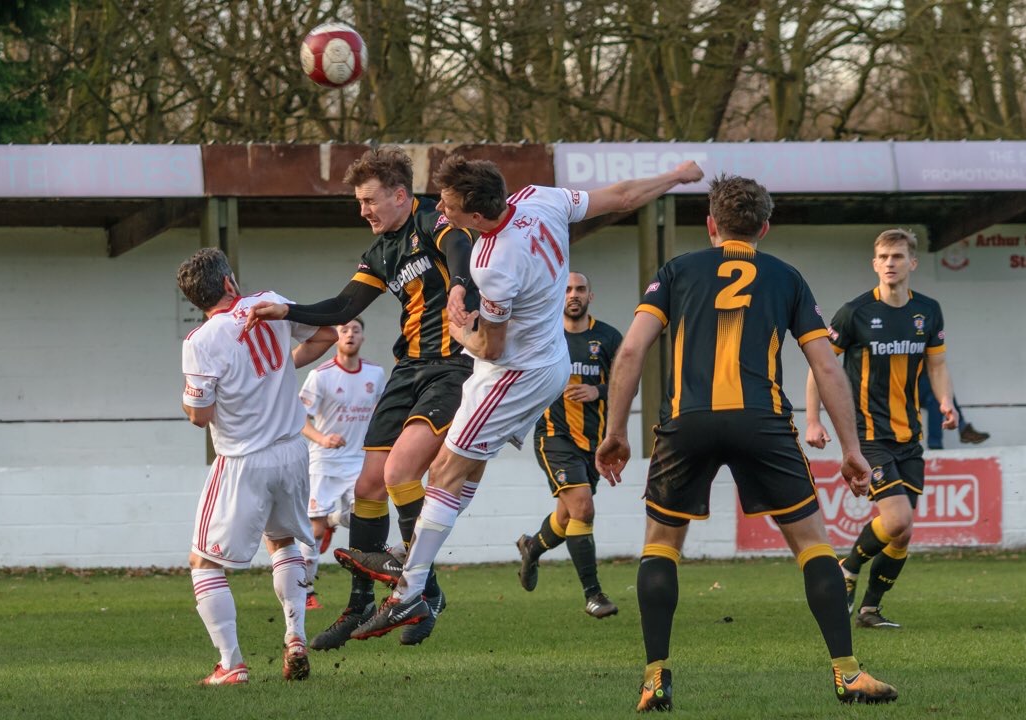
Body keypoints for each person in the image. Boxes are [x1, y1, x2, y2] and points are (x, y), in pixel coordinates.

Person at [336, 153, 705, 642]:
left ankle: (408, 592)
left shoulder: (494, 263)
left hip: (512, 374)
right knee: (466, 471)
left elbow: (492, 344)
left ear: (476, 215)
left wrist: (459, 329)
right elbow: (620, 196)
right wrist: (675, 176)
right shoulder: (539, 198)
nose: (440, 214)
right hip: (548, 361)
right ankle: (416, 560)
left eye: (447, 207)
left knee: (443, 471)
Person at [595, 174, 898, 711]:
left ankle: (654, 678)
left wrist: (615, 431)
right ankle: (847, 674)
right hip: (762, 422)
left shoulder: (675, 271)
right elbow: (826, 365)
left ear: (711, 224)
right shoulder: (787, 277)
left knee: (661, 545)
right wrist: (852, 449)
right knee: (813, 546)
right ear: (765, 227)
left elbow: (630, 353)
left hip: (686, 423)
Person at [246, 145, 476, 648]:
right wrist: (283, 310)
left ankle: (419, 591)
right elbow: (343, 305)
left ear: (399, 194)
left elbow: (460, 247)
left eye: (370, 200)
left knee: (399, 474)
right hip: (408, 369)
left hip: (452, 368)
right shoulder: (380, 252)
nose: (363, 210)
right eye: (359, 201)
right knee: (368, 487)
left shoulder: (432, 221)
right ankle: (360, 605)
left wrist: (460, 285)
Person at [178, 248, 338, 685]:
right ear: (230, 282)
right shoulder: (269, 302)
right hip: (291, 453)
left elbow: (200, 416)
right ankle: (296, 637)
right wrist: (280, 367)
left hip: (243, 460)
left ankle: (231, 664)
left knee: (204, 562)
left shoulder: (201, 341)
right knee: (282, 542)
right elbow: (327, 335)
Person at [806, 228, 958, 631]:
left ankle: (870, 609)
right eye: (883, 257)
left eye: (897, 256)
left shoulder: (928, 311)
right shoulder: (854, 312)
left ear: (913, 262)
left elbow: (938, 365)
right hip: (867, 435)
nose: (890, 263)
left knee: (903, 534)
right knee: (896, 519)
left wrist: (945, 401)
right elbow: (820, 366)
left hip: (910, 437)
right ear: (874, 263)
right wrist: (813, 419)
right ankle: (847, 568)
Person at [515, 271, 623, 618]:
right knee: (583, 509)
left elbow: (626, 383)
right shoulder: (544, 336)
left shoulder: (607, 337)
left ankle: (532, 546)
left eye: (579, 289)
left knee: (566, 516)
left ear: (591, 296)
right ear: (557, 297)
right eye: (566, 290)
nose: (573, 295)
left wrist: (598, 391)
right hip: (553, 436)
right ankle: (593, 595)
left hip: (593, 444)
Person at [298, 317, 385, 610]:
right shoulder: (320, 375)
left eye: (355, 330)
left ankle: (335, 521)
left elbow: (384, 414)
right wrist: (321, 439)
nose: (349, 334)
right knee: (315, 530)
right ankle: (306, 591)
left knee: (363, 519)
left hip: (360, 460)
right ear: (336, 337)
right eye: (344, 330)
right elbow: (299, 418)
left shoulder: (376, 373)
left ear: (362, 337)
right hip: (324, 462)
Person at [917, 373, 989, 449]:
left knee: (940, 394)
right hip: (908, 391)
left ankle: (935, 444)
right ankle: (962, 428)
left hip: (925, 389)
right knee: (941, 389)